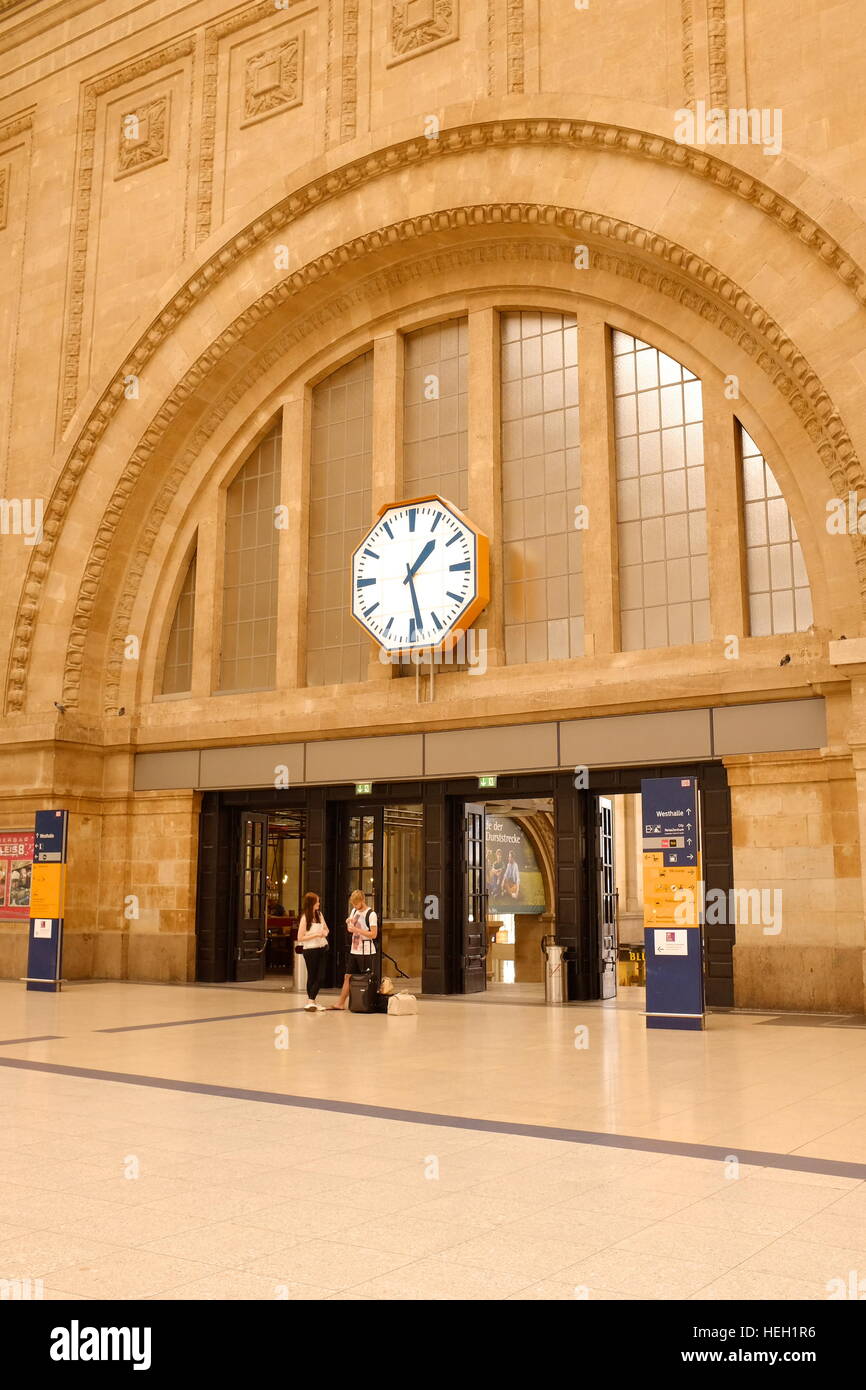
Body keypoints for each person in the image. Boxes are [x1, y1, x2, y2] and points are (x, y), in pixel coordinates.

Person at [332, 888, 378, 1010]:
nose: (355, 906)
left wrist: (357, 930)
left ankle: (366, 1003)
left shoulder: (371, 914)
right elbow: (350, 929)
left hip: (366, 951)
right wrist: (349, 923)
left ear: (362, 900)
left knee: (366, 977)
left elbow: (373, 934)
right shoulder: (354, 911)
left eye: (356, 904)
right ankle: (341, 1003)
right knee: (347, 976)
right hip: (354, 949)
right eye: (353, 904)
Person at [297, 891, 329, 1012]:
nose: (319, 903)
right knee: (312, 975)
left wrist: (324, 933)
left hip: (322, 948)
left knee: (321, 976)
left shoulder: (319, 915)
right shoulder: (305, 918)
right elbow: (300, 937)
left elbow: (326, 929)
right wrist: (315, 934)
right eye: (317, 901)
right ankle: (312, 1001)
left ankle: (311, 1001)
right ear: (312, 903)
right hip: (310, 950)